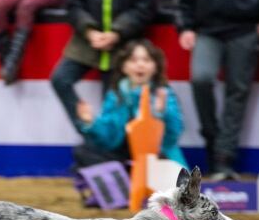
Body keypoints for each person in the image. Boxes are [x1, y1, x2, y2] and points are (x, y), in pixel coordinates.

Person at [175, 0, 259, 180]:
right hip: (206, 27)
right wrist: (185, 25)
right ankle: (212, 141)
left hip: (246, 27)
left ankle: (224, 158)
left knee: (237, 92)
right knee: (201, 79)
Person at [49, 0, 156, 140]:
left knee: (113, 101)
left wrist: (117, 32)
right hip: (87, 38)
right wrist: (88, 30)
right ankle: (89, 134)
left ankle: (110, 148)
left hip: (124, 42)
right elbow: (73, 3)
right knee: (60, 78)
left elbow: (146, 6)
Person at [71, 39, 187, 169]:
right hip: (124, 157)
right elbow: (107, 138)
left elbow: (172, 138)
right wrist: (91, 123)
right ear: (124, 67)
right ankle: (124, 178)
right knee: (83, 151)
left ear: (155, 67)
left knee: (160, 163)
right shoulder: (115, 95)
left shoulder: (163, 93)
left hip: (156, 157)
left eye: (146, 60)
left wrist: (161, 114)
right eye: (133, 60)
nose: (140, 65)